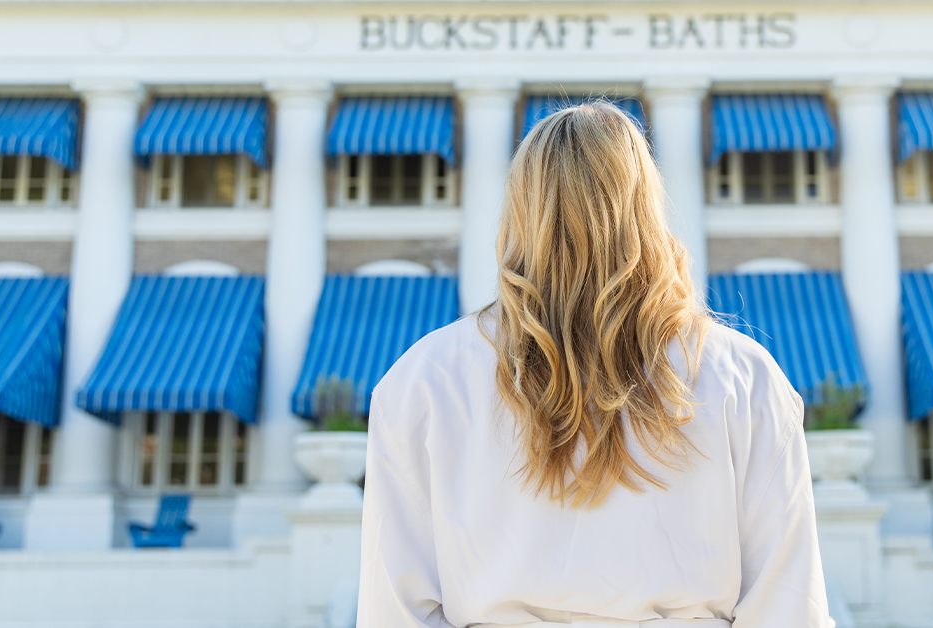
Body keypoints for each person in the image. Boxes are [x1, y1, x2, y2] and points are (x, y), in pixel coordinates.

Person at [356, 101, 834, 627]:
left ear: (520, 210)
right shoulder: (744, 377)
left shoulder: (423, 379)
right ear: (647, 208)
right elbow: (787, 606)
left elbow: (395, 609)